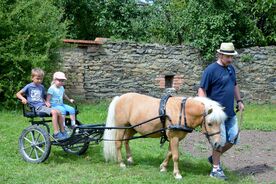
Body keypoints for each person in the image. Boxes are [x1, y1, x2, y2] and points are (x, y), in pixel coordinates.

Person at [198, 42, 245, 180]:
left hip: (230, 112)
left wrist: (240, 101)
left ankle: (214, 158)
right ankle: (215, 170)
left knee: (234, 138)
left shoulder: (231, 69)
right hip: (217, 115)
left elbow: (235, 85)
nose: (230, 59)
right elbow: (202, 89)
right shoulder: (210, 70)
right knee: (220, 141)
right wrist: (206, 107)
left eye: (231, 57)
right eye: (227, 56)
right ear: (220, 54)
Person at [16, 68, 68, 140]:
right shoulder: (29, 86)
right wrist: (23, 98)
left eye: (41, 79)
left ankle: (63, 131)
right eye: (37, 79)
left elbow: (44, 97)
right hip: (35, 108)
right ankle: (56, 133)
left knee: (59, 112)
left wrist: (47, 102)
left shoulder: (41, 87)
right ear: (32, 78)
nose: (39, 81)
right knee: (54, 112)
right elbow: (18, 94)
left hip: (43, 106)